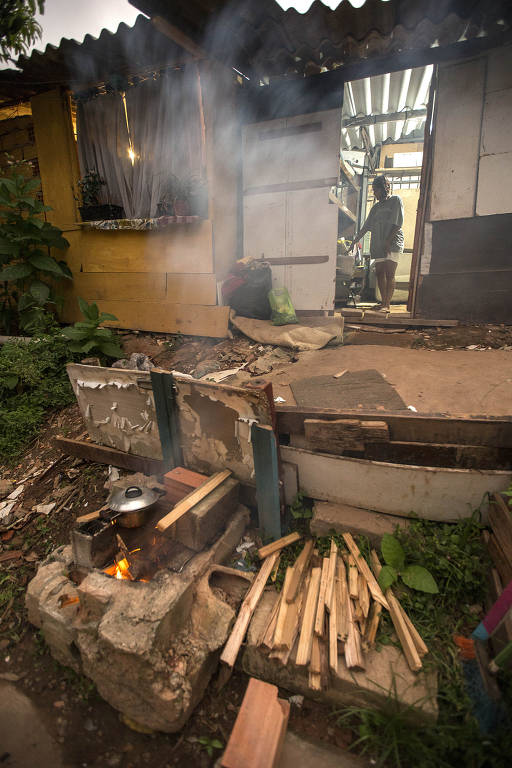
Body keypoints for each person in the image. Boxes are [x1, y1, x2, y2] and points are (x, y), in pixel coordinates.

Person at [352, 175, 404, 310]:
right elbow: (366, 226)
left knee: (389, 273)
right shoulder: (375, 207)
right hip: (379, 244)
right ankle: (383, 302)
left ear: (385, 188)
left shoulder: (395, 201)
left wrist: (388, 241)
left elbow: (398, 224)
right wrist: (355, 241)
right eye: (373, 190)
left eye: (376, 190)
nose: (374, 193)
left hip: (392, 242)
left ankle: (387, 304)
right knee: (379, 272)